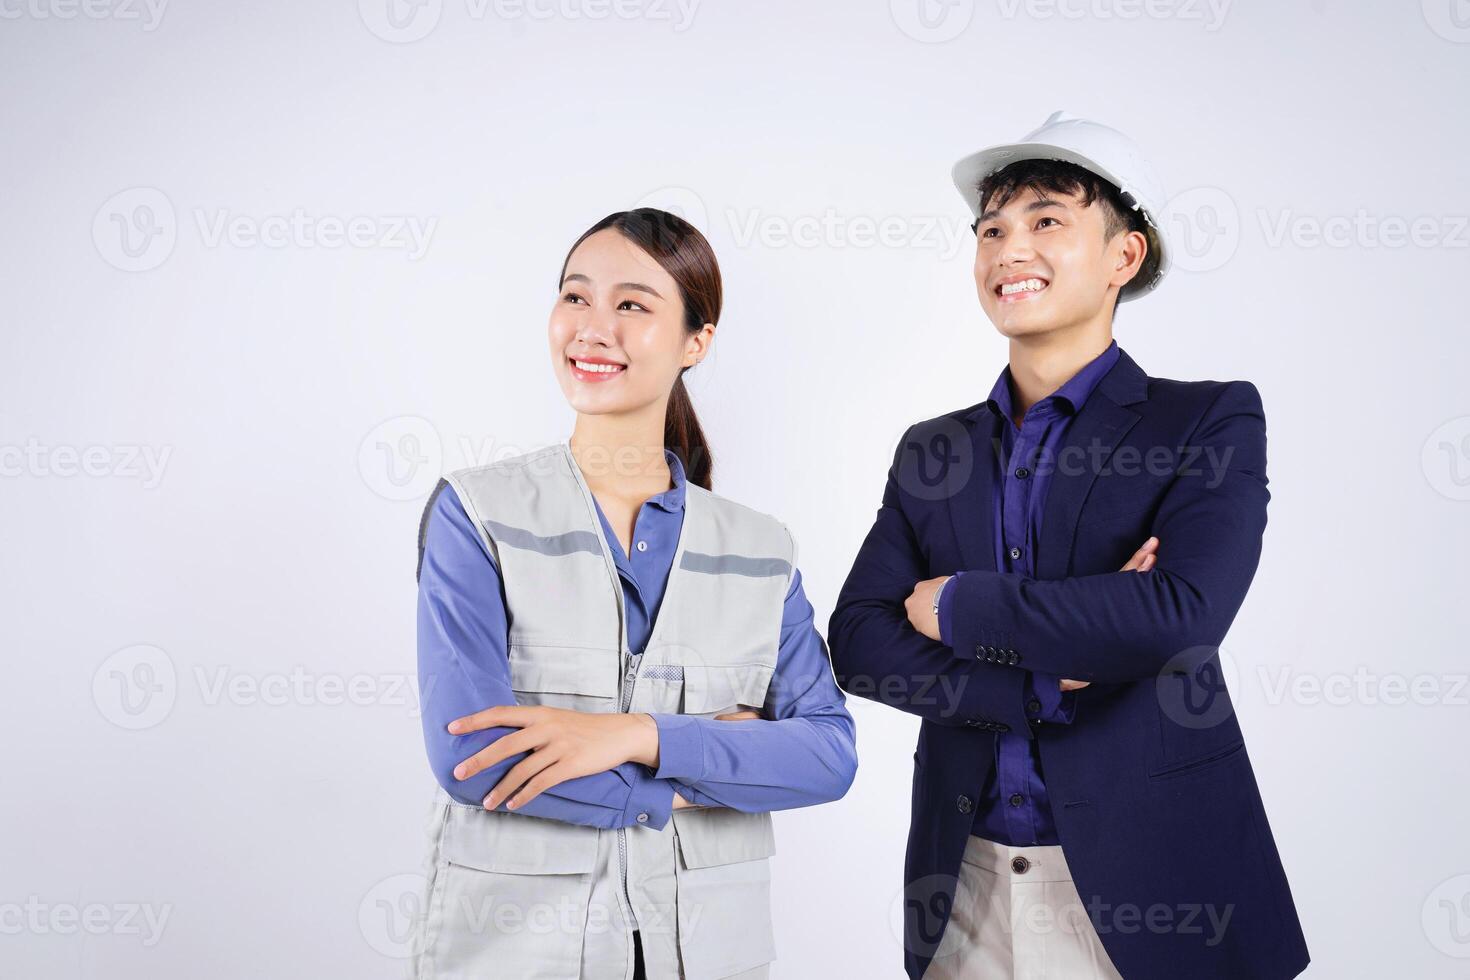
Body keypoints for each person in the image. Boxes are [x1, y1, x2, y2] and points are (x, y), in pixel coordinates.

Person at [828, 111, 1310, 979]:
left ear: (1125, 256)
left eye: (1047, 220)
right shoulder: (933, 448)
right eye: (992, 230)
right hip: (964, 887)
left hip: (1157, 891)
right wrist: (1048, 675)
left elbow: (1175, 618)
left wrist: (954, 603)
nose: (1010, 249)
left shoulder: (1206, 418)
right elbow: (859, 643)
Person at [411, 208, 857, 979]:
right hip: (517, 953)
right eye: (576, 298)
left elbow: (827, 754)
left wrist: (636, 736)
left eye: (632, 305)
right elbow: (474, 757)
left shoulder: (760, 548)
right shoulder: (478, 512)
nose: (591, 327)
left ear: (696, 342)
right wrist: (698, 781)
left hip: (706, 955)